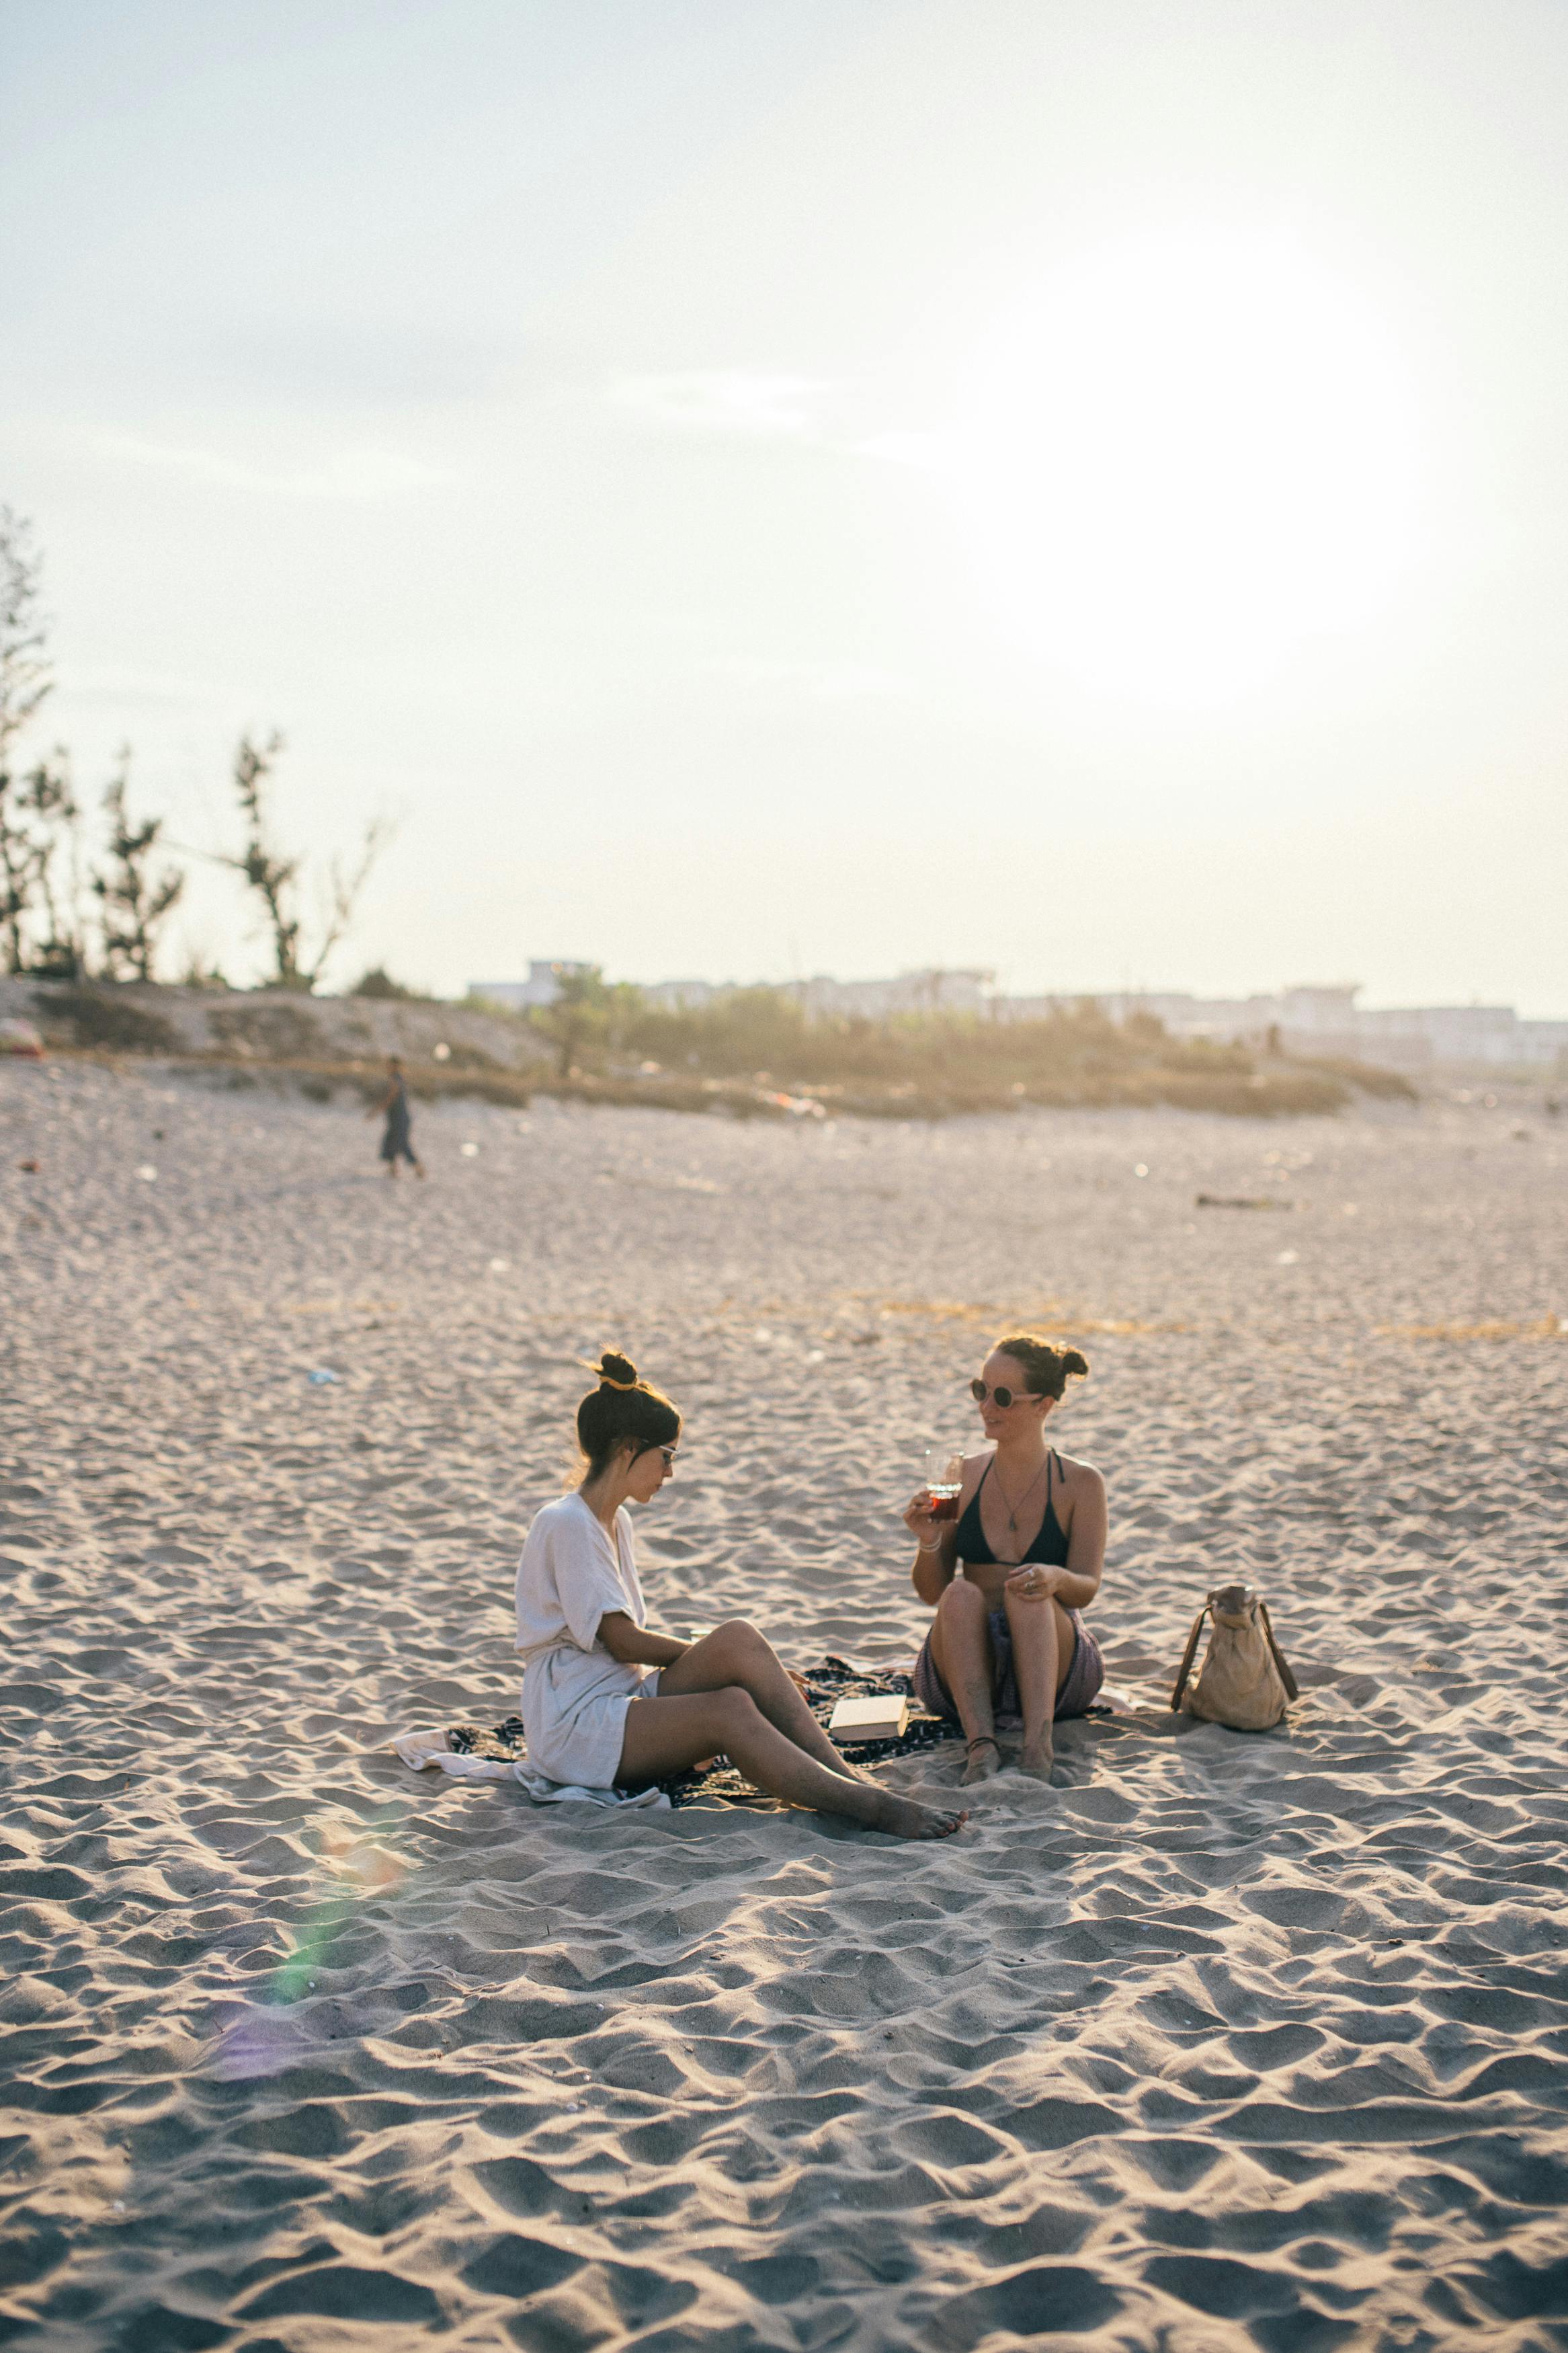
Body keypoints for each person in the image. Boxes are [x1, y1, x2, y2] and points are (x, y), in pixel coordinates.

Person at [515, 1352, 966, 1840]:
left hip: (616, 1698)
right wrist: (717, 1663)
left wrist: (744, 1665)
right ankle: (867, 1805)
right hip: (575, 1725)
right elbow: (622, 1641)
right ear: (627, 1449)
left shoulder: (613, 1520)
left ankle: (843, 1775)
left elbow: (623, 1645)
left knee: (739, 1641)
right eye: (667, 1456)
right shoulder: (566, 1522)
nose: (669, 1473)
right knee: (729, 1705)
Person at [905, 1334, 1106, 1786]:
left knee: (1027, 1593)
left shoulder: (1081, 1483)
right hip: (967, 1661)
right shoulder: (954, 1475)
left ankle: (1038, 1747)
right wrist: (929, 1541)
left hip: (1052, 1663)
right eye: (980, 1391)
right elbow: (932, 1592)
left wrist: (1054, 1577)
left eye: (1002, 1397)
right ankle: (980, 1747)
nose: (985, 1407)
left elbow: (1087, 1588)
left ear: (1044, 1406)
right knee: (959, 1593)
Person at [368, 1057, 423, 1179]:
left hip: (400, 1119)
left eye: (390, 1065)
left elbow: (390, 1099)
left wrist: (375, 1111)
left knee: (402, 1144)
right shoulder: (398, 1079)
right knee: (391, 1141)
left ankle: (418, 1169)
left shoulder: (395, 1079)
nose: (388, 1067)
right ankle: (393, 1170)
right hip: (396, 1118)